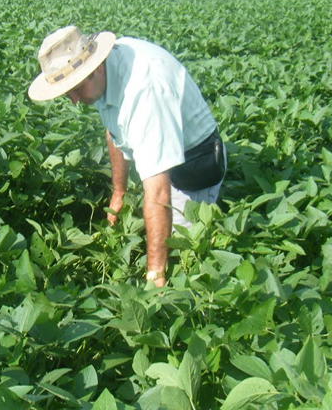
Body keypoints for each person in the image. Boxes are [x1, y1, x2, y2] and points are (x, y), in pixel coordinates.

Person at [28, 26, 225, 287]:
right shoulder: (100, 76)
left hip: (195, 164)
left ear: (95, 69)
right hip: (162, 148)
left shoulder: (144, 91)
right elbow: (114, 130)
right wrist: (118, 192)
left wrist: (155, 274)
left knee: (183, 259)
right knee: (157, 234)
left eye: (75, 89)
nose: (74, 100)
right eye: (67, 93)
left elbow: (158, 194)